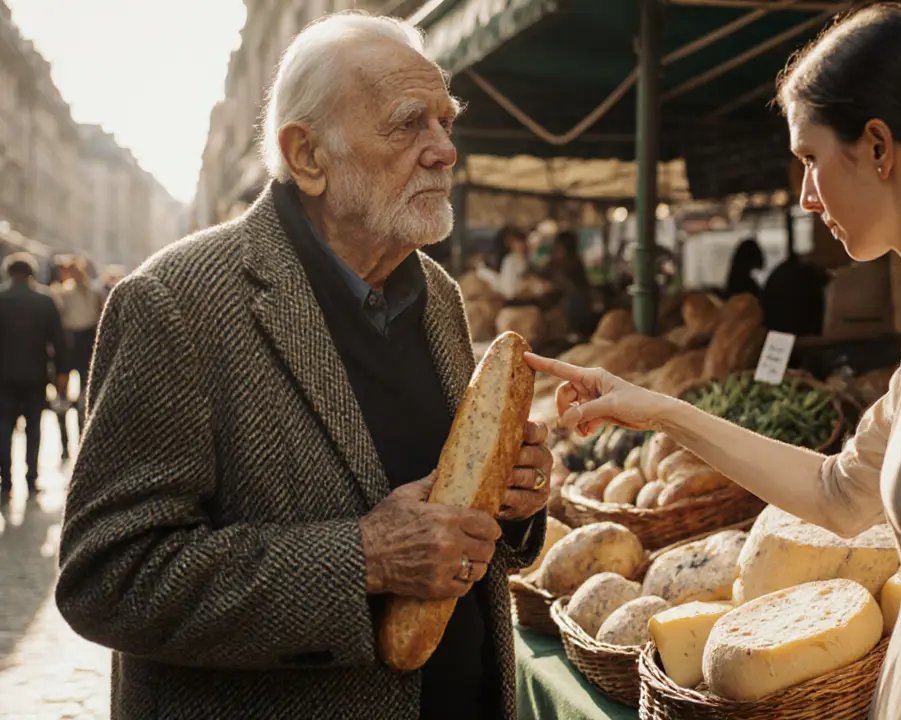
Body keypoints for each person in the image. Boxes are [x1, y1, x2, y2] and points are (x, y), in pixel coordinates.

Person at [529, 5, 901, 719]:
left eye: (810, 159)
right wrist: (659, 411)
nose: (805, 196)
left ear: (879, 146)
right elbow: (839, 495)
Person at [55, 13, 551, 720]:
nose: (445, 150)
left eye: (447, 121)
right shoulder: (176, 303)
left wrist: (513, 503)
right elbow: (108, 578)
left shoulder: (437, 295)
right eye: (410, 124)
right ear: (309, 155)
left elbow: (449, 527)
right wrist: (367, 558)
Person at [0, 253, 68, 498]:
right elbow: (59, 341)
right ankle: (31, 479)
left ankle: (6, 481)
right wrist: (62, 372)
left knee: (3, 426)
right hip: (36, 374)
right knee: (34, 428)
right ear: (32, 274)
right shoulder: (45, 301)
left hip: (3, 376)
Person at [51, 255, 105, 453]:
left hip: (85, 342)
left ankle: (82, 438)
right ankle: (66, 443)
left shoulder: (93, 292)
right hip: (69, 342)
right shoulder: (62, 293)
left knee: (86, 393)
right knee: (63, 396)